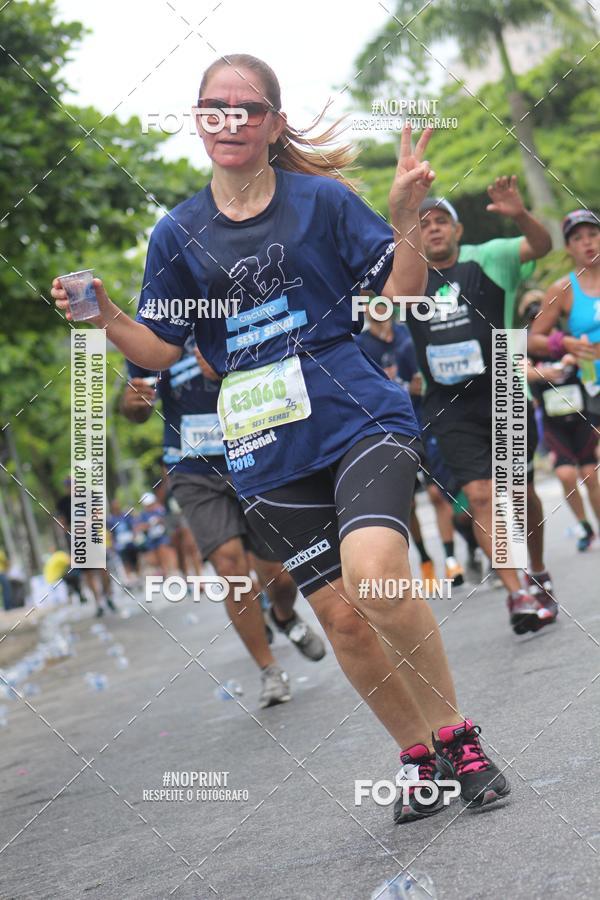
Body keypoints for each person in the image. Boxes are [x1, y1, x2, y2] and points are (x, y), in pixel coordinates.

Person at [53, 53, 511, 821]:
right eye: (214, 107)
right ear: (200, 121)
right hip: (265, 448)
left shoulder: (321, 204)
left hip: (358, 415)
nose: (230, 119)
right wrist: (105, 319)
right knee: (338, 616)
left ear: (272, 124)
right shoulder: (176, 234)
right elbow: (162, 350)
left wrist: (401, 215)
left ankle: (456, 733)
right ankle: (417, 759)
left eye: (246, 107)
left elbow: (400, 296)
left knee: (375, 572)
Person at [120, 338, 325, 708]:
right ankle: (269, 669)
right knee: (230, 566)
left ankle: (283, 614)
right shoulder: (153, 329)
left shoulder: (230, 306)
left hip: (253, 451)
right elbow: (135, 407)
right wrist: (133, 403)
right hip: (191, 468)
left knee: (279, 575)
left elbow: (282, 371)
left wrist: (227, 369)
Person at [407, 184, 557, 632]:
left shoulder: (489, 256)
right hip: (448, 402)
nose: (432, 229)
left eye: (440, 221)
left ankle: (538, 567)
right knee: (478, 497)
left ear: (458, 229)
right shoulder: (408, 278)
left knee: (517, 493)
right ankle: (518, 594)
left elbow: (542, 245)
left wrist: (520, 214)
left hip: (506, 387)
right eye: (423, 224)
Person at [356, 299, 465, 587]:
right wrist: (402, 387)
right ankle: (425, 560)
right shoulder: (360, 344)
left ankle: (451, 559)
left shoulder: (407, 333)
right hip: (390, 430)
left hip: (425, 421)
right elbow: (363, 390)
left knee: (438, 494)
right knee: (407, 504)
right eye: (366, 302)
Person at [528, 210, 600, 549]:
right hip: (591, 389)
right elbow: (532, 339)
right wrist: (564, 342)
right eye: (578, 238)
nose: (587, 243)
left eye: (592, 234)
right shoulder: (563, 289)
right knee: (589, 473)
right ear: (568, 247)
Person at [56, 477, 117, 616]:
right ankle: (98, 602)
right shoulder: (62, 503)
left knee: (103, 569)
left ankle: (108, 596)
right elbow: (62, 524)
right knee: (87, 573)